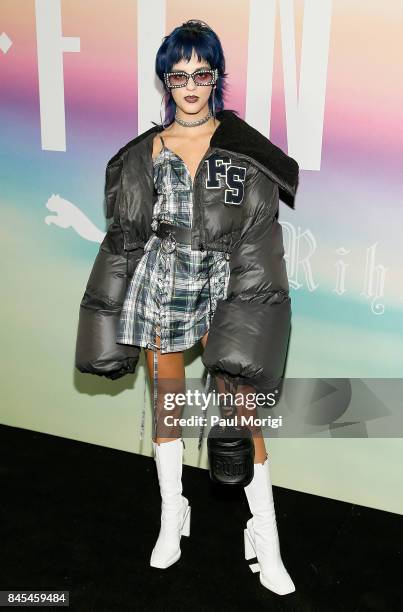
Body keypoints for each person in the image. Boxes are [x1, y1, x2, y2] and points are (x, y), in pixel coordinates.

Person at [75, 19, 299, 596]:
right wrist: (103, 319)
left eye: (202, 74)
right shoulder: (144, 153)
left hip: (225, 281)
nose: (191, 86)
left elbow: (257, 237)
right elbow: (125, 238)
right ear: (166, 82)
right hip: (164, 281)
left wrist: (248, 308)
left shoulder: (243, 151)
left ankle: (265, 537)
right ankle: (172, 517)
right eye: (179, 76)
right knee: (169, 408)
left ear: (216, 77)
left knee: (241, 416)